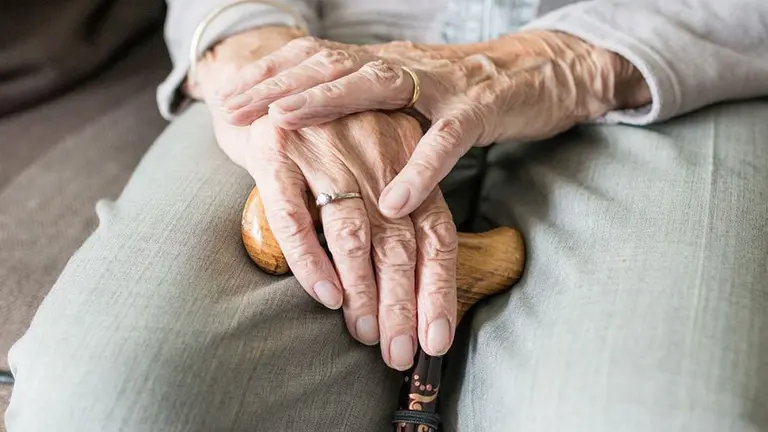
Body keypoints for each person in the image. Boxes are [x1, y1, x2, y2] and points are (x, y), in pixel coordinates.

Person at [5, 0, 768, 430]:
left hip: (659, 53)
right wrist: (255, 50)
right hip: (327, 44)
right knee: (105, 402)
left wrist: (568, 61)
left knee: (660, 414)